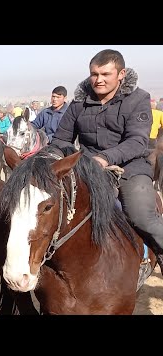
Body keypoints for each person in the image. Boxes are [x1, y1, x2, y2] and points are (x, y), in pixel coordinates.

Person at [52, 49, 163, 256]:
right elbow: (61, 139)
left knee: (142, 217)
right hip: (87, 169)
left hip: (130, 168)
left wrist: (104, 158)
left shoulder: (138, 99)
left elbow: (137, 141)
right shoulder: (78, 103)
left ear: (121, 74)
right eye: (94, 74)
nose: (98, 80)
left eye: (105, 74)